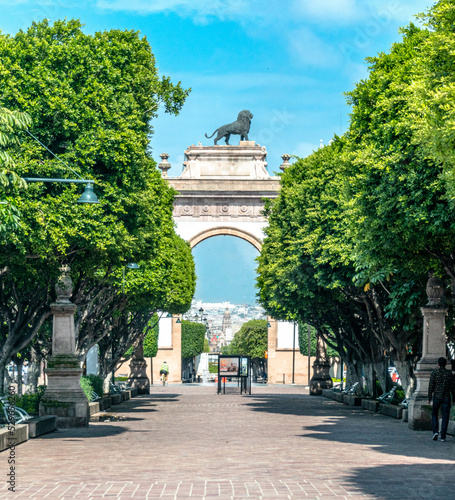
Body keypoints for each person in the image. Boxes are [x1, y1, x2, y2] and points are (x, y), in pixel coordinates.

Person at [428, 357, 455, 441]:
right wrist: (454, 398)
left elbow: (431, 386)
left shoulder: (434, 373)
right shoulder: (449, 373)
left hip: (437, 397)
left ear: (438, 364)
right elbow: (453, 387)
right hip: (446, 397)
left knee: (434, 414)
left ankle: (435, 431)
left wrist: (429, 397)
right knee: (445, 416)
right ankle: (443, 436)